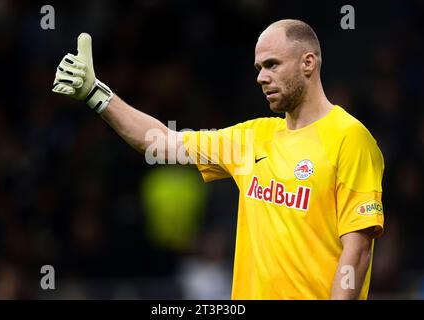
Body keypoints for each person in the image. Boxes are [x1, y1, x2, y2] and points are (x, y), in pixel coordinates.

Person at [52, 19, 385, 300]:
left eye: (272, 65)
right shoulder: (252, 137)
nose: (261, 77)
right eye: (258, 68)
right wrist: (97, 94)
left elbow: (357, 252)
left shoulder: (350, 138)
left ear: (308, 63)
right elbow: (161, 143)